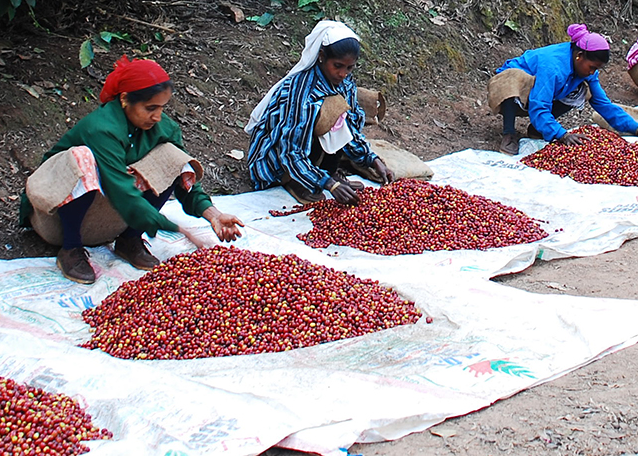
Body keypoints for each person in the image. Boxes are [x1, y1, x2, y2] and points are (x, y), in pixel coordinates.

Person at [27, 56, 243, 284]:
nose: (157, 116)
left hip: (106, 217)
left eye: (161, 107)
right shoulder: (101, 128)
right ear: (124, 100)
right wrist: (182, 230)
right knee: (83, 158)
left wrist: (214, 215)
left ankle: (130, 239)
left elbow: (184, 177)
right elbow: (121, 189)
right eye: (150, 108)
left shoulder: (163, 128)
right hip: (54, 219)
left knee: (173, 156)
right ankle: (70, 249)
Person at [246, 20, 392, 205]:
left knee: (339, 112)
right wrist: (328, 184)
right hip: (280, 157)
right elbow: (290, 150)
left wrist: (373, 160)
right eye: (337, 66)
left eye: (349, 67)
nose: (343, 73)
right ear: (322, 56)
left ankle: (326, 170)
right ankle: (296, 180)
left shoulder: (345, 83)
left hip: (311, 149)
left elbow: (349, 129)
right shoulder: (300, 91)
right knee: (328, 110)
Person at [489, 24, 638, 156]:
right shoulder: (552, 67)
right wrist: (561, 134)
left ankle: (538, 128)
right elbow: (539, 105)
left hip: (545, 89)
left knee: (584, 91)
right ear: (579, 56)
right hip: (518, 86)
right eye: (592, 67)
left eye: (596, 69)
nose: (592, 72)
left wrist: (635, 128)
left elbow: (604, 104)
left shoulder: (587, 71)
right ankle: (509, 133)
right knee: (511, 80)